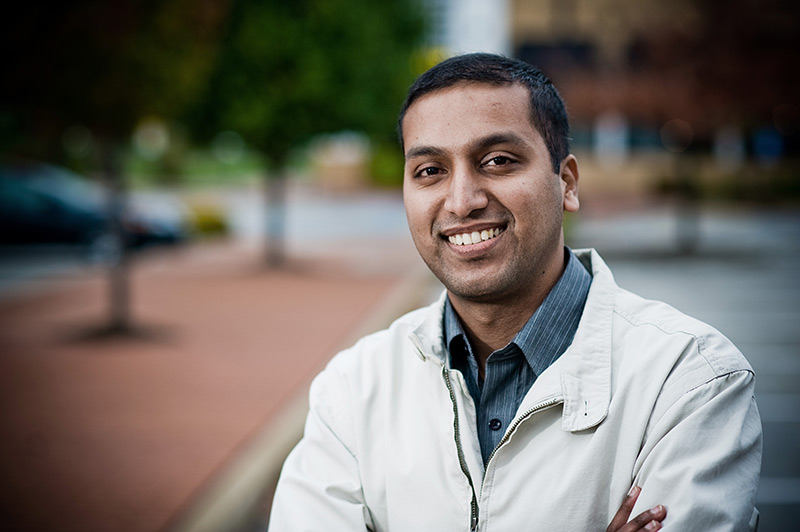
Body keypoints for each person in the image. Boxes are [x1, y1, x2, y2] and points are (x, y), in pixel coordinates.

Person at [268, 53, 762, 531]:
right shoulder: (354, 390)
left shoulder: (690, 381)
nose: (462, 201)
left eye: (498, 160)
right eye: (430, 171)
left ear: (566, 183)